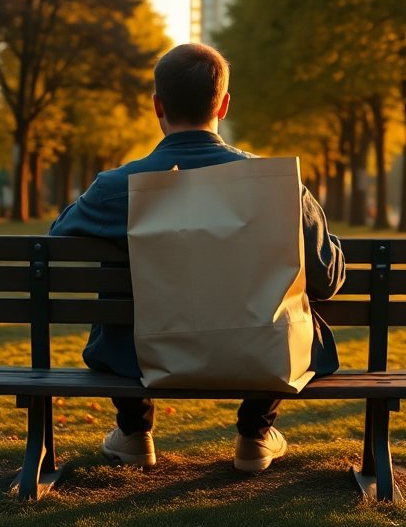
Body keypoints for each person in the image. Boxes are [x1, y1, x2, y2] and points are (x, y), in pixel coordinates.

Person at [49, 43, 345, 473]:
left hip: (139, 353)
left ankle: (133, 433)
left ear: (157, 106)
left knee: (120, 287)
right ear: (224, 104)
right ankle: (256, 433)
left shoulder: (116, 188)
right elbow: (327, 279)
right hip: (257, 350)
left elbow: (58, 242)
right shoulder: (279, 188)